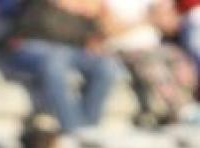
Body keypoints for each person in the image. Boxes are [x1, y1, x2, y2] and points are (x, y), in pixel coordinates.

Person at [8, 0, 122, 134]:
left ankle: (89, 128)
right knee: (55, 62)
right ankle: (72, 128)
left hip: (73, 49)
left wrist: (100, 17)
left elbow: (109, 27)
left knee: (107, 67)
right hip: (33, 45)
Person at [101, 0, 197, 128]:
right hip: (128, 49)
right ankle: (179, 112)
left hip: (158, 47)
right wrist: (144, 19)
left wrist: (163, 18)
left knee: (183, 64)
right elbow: (107, 30)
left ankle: (188, 106)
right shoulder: (113, 4)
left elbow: (171, 26)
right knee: (155, 68)